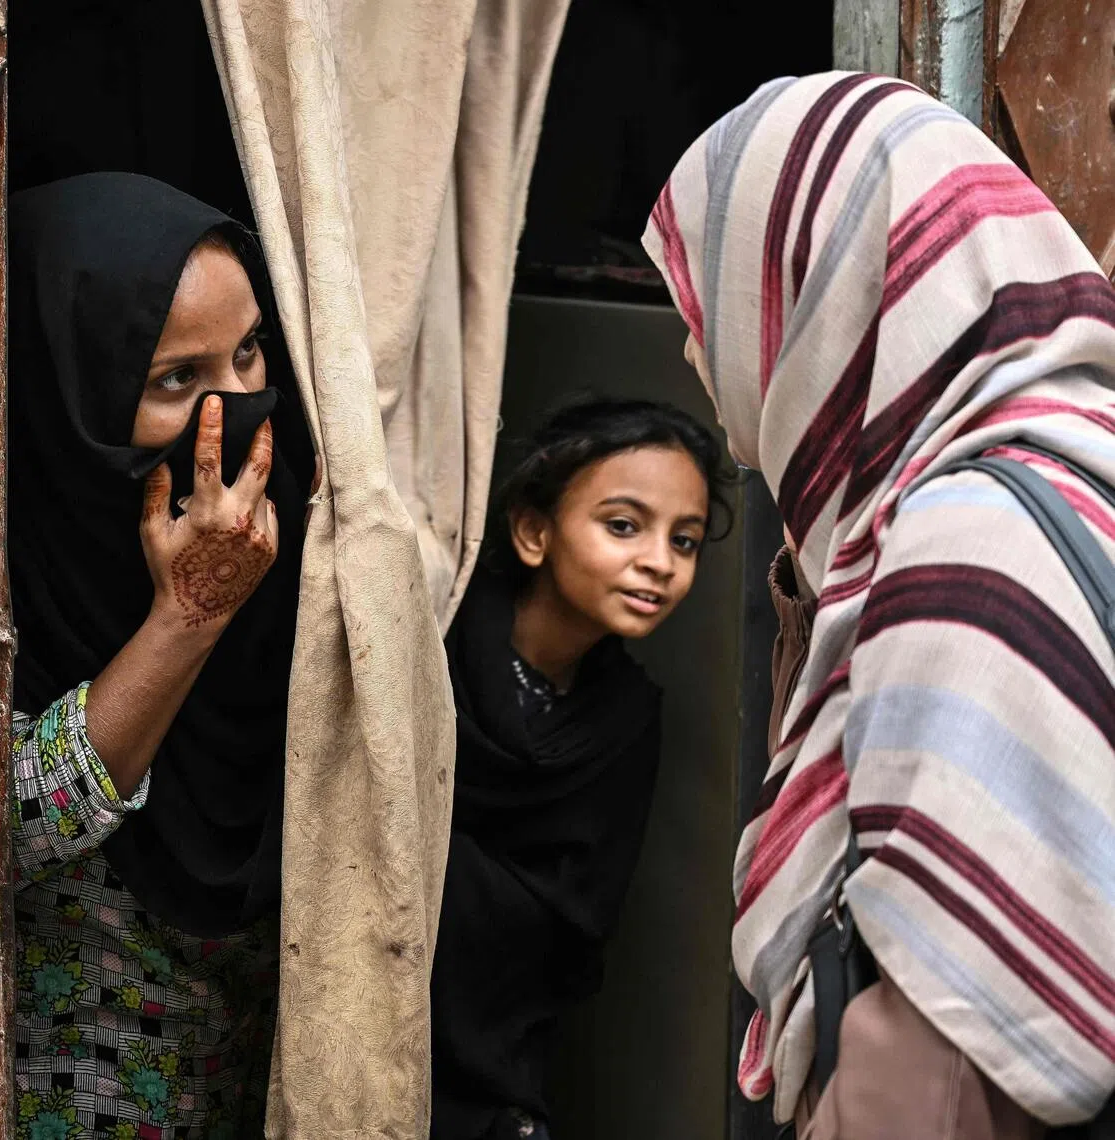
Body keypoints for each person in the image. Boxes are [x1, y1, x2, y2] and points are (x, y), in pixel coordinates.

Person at [643, 72, 1115, 1138]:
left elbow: (948, 1054)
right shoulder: (1069, 462)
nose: (690, 347)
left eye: (711, 298)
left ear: (821, 287)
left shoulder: (972, 545)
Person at [8, 172, 315, 1137]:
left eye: (250, 352)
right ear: (73, 388)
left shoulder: (315, 532)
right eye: (177, 380)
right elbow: (5, 826)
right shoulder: (2, 553)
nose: (233, 414)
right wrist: (188, 615)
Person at [430, 400, 733, 1140]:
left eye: (685, 540)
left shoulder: (626, 715)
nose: (660, 561)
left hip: (503, 1061)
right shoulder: (437, 643)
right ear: (535, 532)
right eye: (624, 526)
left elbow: (578, 925)